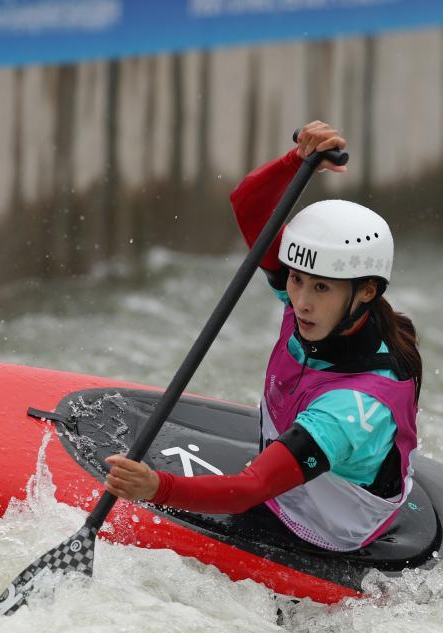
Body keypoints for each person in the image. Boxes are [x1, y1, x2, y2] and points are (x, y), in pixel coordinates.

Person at [105, 121, 422, 552]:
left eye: (321, 288)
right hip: (293, 477)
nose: (300, 303)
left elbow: (249, 490)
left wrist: (155, 487)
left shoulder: (353, 409)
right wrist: (295, 161)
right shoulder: (323, 310)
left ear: (366, 291)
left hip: (323, 528)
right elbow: (249, 206)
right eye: (296, 279)